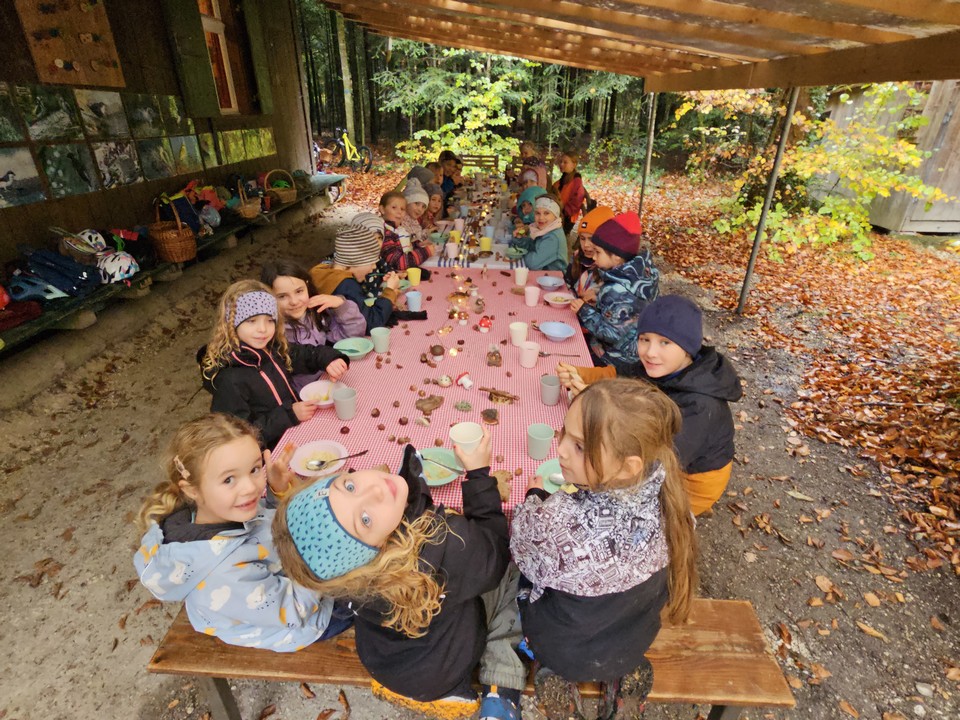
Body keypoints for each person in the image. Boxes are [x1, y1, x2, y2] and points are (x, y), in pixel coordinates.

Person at [273, 437, 527, 720]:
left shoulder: (343, 574)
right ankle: (499, 685)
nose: (375, 489)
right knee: (514, 574)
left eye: (349, 486)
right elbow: (495, 551)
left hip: (384, 662)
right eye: (365, 520)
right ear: (373, 549)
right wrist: (479, 474)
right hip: (443, 669)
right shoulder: (444, 543)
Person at [510, 379, 698, 719]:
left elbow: (521, 548)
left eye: (580, 446)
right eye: (563, 434)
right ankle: (622, 672)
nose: (561, 450)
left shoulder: (555, 521)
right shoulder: (671, 497)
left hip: (563, 649)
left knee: (519, 581)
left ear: (628, 466)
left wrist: (533, 498)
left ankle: (554, 672)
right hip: (632, 640)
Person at [133, 414, 352, 651]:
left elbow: (265, 523)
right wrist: (321, 553)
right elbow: (294, 611)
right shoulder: (223, 572)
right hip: (304, 618)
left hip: (290, 573)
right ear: (192, 490)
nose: (250, 487)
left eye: (254, 469)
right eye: (229, 479)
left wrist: (277, 492)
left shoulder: (216, 510)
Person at [557, 296, 743, 516]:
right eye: (645, 339)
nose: (650, 352)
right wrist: (581, 374)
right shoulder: (662, 367)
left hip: (691, 483)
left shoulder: (700, 405)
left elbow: (658, 461)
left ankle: (689, 515)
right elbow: (619, 375)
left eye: (665, 342)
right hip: (665, 458)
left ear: (688, 348)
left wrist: (596, 405)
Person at [199, 280, 349, 448]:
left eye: (270, 320)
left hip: (297, 433)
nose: (263, 329)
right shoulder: (229, 379)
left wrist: (329, 358)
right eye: (252, 321)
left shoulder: (272, 349)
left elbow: (304, 354)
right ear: (231, 324)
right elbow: (237, 437)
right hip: (272, 452)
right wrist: (289, 415)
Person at [261, 258, 366, 392]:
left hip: (329, 382)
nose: (294, 301)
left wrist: (341, 306)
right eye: (282, 296)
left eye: (299, 291)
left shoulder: (315, 313)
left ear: (307, 285)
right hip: (301, 396)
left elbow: (352, 339)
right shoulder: (268, 332)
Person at [571, 212, 659, 370]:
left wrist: (584, 311)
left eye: (598, 252)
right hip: (636, 351)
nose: (594, 257)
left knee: (572, 354)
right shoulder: (640, 276)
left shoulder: (616, 290)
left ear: (617, 257)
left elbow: (611, 334)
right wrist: (600, 298)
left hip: (616, 359)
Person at [309, 221, 400, 334]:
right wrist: (389, 291)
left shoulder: (326, 271)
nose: (373, 267)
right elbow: (371, 323)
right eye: (371, 262)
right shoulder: (346, 285)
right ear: (357, 261)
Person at [564, 205, 614, 304]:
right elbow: (567, 283)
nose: (586, 245)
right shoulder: (577, 256)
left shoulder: (610, 267)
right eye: (582, 238)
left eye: (591, 239)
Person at [379, 190, 432, 273]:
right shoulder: (385, 233)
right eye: (394, 207)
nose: (399, 212)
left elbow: (403, 247)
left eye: (402, 209)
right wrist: (426, 252)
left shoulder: (398, 229)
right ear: (382, 209)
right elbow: (398, 263)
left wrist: (418, 244)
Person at [513, 195, 568, 271]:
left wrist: (522, 252)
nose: (541, 218)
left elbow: (532, 263)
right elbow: (531, 246)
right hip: (543, 274)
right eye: (537, 213)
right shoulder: (541, 229)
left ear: (555, 216)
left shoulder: (553, 238)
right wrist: (520, 238)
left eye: (546, 213)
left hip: (553, 277)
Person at [551, 150, 586, 235]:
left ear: (574, 165)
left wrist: (563, 209)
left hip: (567, 217)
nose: (561, 164)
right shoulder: (562, 180)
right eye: (561, 162)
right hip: (558, 213)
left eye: (565, 162)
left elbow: (576, 202)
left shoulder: (576, 181)